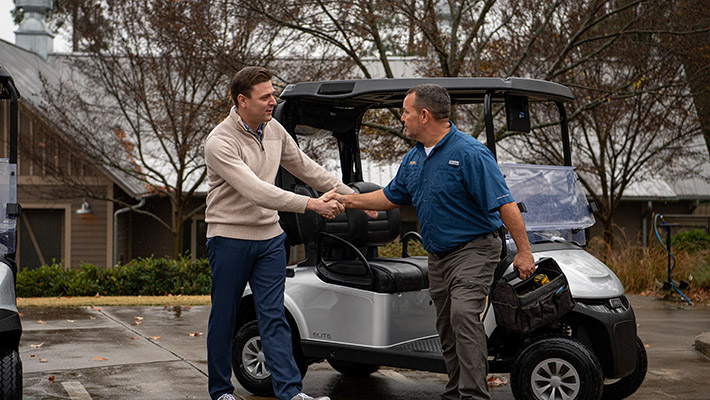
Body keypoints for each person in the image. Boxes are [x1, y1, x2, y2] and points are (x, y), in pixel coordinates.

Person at [331, 84, 535, 400]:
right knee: (446, 325)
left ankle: (473, 395)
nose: (402, 118)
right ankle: (454, 392)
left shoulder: (470, 153)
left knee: (463, 315)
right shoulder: (413, 159)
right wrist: (347, 201)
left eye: (406, 112)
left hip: (475, 249)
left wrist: (524, 251)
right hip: (438, 256)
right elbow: (389, 196)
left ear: (424, 115)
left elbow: (505, 203)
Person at [203, 66, 348, 400]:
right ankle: (221, 392)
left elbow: (307, 168)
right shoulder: (220, 141)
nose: (273, 100)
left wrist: (351, 197)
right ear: (242, 100)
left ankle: (290, 393)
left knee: (274, 316)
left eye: (273, 93)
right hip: (229, 239)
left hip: (269, 239)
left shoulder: (273, 129)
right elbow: (256, 191)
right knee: (224, 317)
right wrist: (312, 206)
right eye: (265, 96)